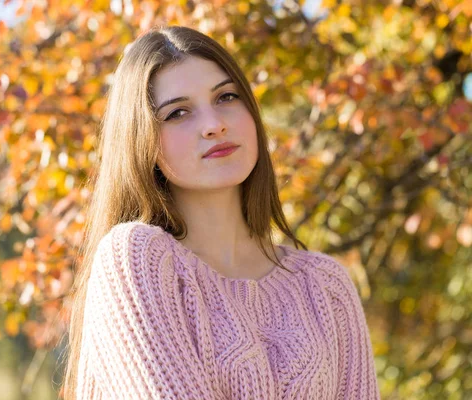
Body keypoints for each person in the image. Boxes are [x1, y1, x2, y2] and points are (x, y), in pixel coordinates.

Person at [62, 25, 380, 400]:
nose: (214, 125)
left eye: (226, 97)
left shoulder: (326, 288)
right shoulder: (135, 261)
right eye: (178, 112)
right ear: (141, 139)